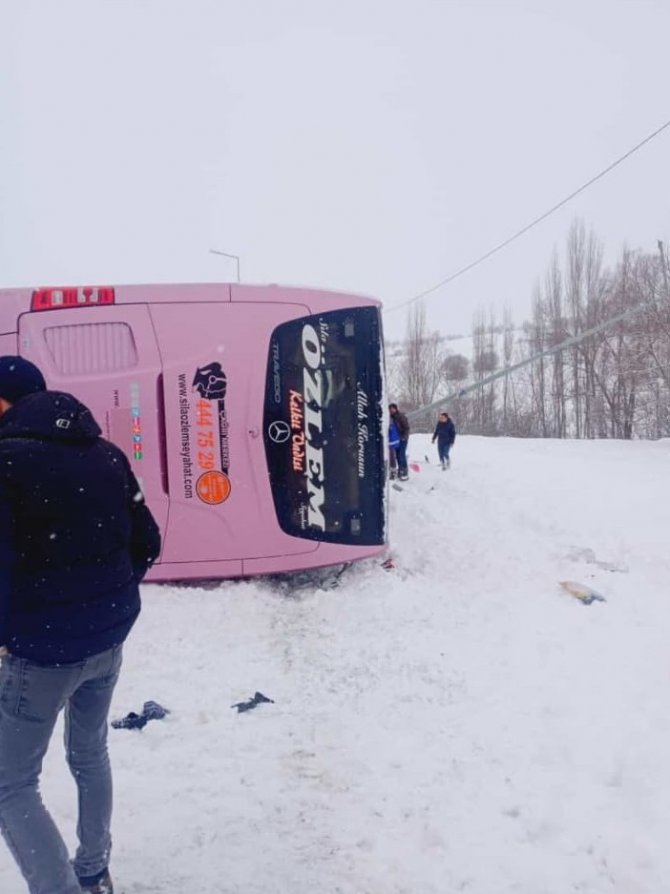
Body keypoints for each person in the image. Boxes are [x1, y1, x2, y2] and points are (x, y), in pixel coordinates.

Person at [0, 356, 161, 894]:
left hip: (39, 652)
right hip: (108, 641)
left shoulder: (5, 463)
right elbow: (149, 542)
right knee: (89, 752)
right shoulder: (106, 454)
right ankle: (93, 870)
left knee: (10, 783)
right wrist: (106, 596)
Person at [389, 403, 410, 480]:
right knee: (397, 455)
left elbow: (406, 428)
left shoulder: (401, 416)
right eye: (390, 409)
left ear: (396, 409)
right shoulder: (390, 418)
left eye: (393, 409)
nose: (391, 410)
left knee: (401, 455)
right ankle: (400, 470)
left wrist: (404, 437)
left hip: (402, 439)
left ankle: (404, 471)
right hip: (396, 440)